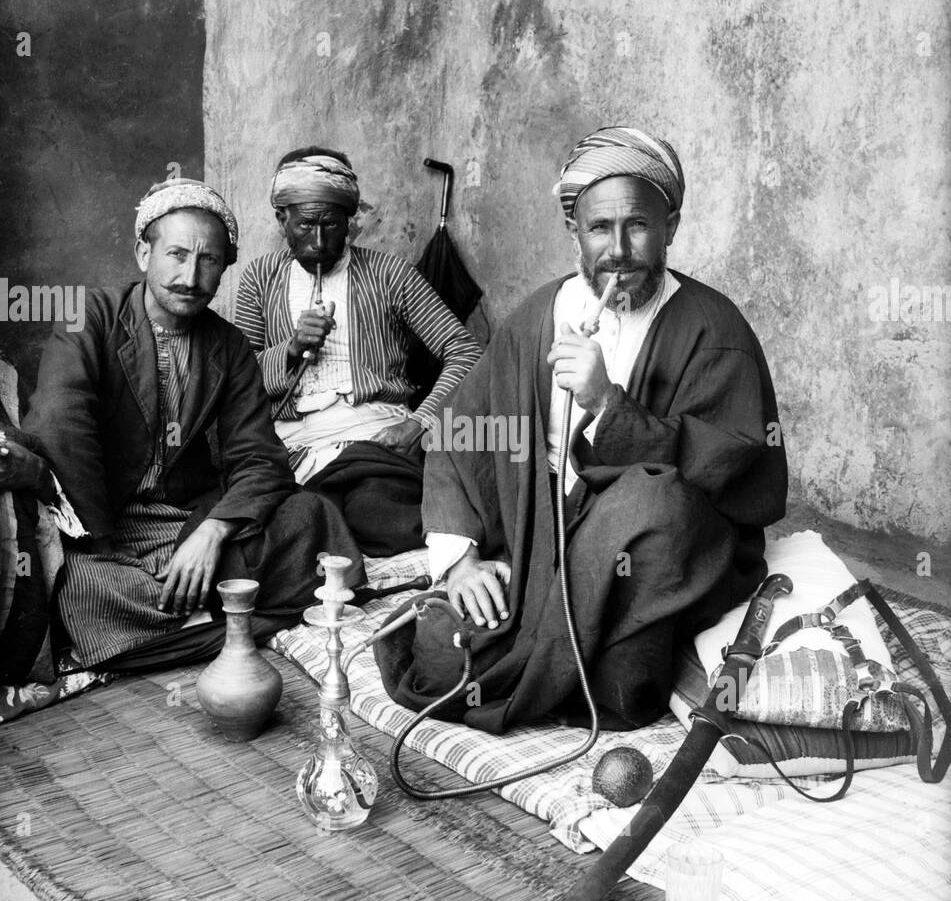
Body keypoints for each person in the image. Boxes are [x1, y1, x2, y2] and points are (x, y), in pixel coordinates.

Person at [380, 126, 788, 732]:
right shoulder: (540, 316)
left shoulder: (713, 327)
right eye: (599, 228)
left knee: (625, 683)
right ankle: (562, 633)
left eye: (639, 226)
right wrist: (461, 560)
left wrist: (606, 404)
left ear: (671, 226)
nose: (618, 250)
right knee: (441, 658)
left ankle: (603, 640)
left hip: (648, 554)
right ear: (575, 233)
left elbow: (727, 477)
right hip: (537, 536)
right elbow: (461, 433)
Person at [22, 178, 363, 672]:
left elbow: (261, 459)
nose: (190, 276)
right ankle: (226, 615)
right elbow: (60, 423)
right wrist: (103, 542)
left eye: (209, 261)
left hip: (181, 519)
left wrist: (214, 531)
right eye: (177, 255)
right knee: (78, 585)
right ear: (144, 253)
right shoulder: (89, 315)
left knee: (310, 514)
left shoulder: (227, 345)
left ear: (224, 267)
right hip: (95, 521)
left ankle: (181, 618)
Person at [234, 147, 481, 554]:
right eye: (306, 224)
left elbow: (465, 351)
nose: (318, 240)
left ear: (349, 221)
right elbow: (242, 380)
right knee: (288, 528)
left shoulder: (390, 274)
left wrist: (419, 424)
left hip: (373, 438)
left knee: (376, 514)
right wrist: (292, 349)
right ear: (282, 219)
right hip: (293, 448)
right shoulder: (259, 278)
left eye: (331, 225)